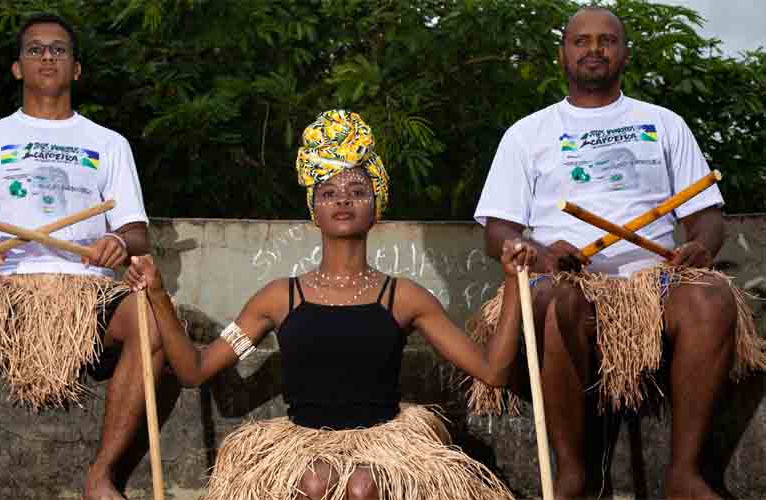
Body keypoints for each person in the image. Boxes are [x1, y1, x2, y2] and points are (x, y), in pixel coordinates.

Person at [125, 109, 530, 500]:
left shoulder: (404, 297)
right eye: (329, 193)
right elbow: (195, 371)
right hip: (306, 447)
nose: (343, 201)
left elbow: (492, 371)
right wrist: (159, 296)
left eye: (357, 192)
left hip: (383, 446)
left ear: (376, 206)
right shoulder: (277, 299)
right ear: (314, 209)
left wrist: (513, 281)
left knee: (360, 486)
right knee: (317, 482)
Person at [469, 7, 766, 500]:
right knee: (554, 298)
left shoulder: (663, 124)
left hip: (656, 285)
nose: (593, 49)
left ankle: (685, 474)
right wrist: (541, 255)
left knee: (712, 294)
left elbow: (706, 216)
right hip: (565, 280)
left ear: (625, 53)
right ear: (562, 53)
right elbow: (498, 231)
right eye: (580, 41)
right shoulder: (527, 134)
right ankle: (572, 473)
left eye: (606, 40)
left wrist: (701, 246)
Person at [0, 14, 162, 500]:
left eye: (58, 50)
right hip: (2, 289)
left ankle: (101, 476)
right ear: (17, 67)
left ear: (75, 69)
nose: (47, 56)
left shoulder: (109, 143)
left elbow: (136, 234)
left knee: (150, 323)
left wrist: (119, 244)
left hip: (86, 290)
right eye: (35, 49)